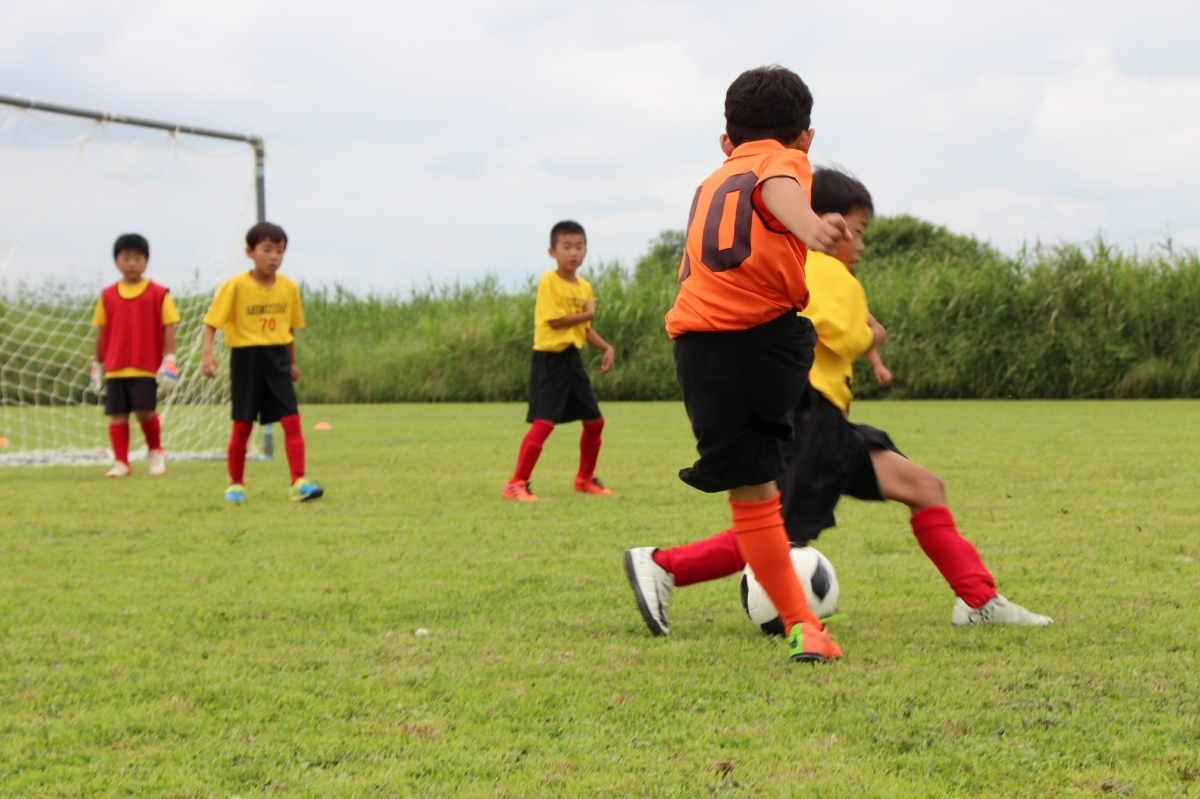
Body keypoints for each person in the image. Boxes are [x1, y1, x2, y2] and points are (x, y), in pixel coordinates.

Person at [625, 168, 1053, 639]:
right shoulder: (827, 269)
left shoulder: (788, 263)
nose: (861, 245)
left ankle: (978, 600)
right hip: (811, 418)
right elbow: (848, 336)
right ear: (827, 222)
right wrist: (874, 334)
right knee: (775, 531)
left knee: (924, 487)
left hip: (827, 424)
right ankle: (664, 565)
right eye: (859, 231)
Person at [637, 66, 853, 664]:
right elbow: (779, 187)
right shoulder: (784, 160)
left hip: (698, 350)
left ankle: (804, 626)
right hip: (764, 346)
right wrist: (810, 226)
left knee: (754, 492)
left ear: (725, 140)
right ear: (806, 138)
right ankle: (803, 623)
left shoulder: (713, 178)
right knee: (775, 471)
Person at [200, 221, 323, 503]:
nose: (273, 257)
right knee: (243, 424)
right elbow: (211, 323)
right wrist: (208, 354)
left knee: (292, 420)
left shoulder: (289, 288)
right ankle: (236, 486)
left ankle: (299, 482)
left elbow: (288, 329)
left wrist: (292, 362)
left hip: (277, 359)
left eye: (279, 251)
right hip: (246, 360)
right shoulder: (235, 286)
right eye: (267, 250)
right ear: (250, 252)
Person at [503, 220, 616, 501]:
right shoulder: (549, 281)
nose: (573, 252)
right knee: (544, 423)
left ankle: (584, 479)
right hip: (549, 360)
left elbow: (582, 328)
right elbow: (555, 321)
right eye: (566, 246)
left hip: (571, 360)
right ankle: (516, 484)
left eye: (578, 246)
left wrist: (606, 347)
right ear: (552, 251)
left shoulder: (584, 287)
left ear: (586, 251)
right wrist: (588, 314)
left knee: (595, 423)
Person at [90, 233, 180, 478]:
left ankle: (156, 452)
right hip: (115, 366)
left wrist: (170, 359)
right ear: (116, 261)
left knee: (144, 411)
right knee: (117, 415)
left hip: (145, 366)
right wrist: (96, 364)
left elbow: (169, 326)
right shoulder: (107, 295)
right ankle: (121, 462)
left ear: (146, 261)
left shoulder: (159, 293)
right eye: (126, 258)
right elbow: (100, 331)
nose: (132, 263)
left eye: (138, 258)